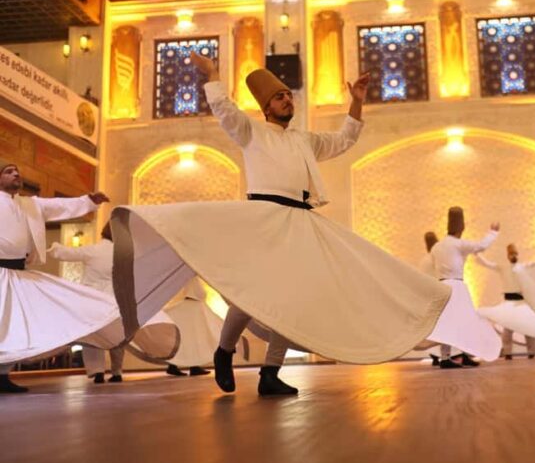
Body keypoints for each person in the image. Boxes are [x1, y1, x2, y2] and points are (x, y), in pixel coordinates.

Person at [110, 55, 452, 397]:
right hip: (263, 219)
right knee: (250, 295)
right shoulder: (252, 132)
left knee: (295, 301)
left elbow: (344, 140)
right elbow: (225, 110)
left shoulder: (303, 140)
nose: (287, 99)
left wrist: (357, 103)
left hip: (299, 222)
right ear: (266, 108)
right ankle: (224, 350)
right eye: (279, 97)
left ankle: (270, 372)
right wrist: (214, 74)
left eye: (289, 95)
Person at [0, 163, 119, 393]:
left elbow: (59, 205)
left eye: (18, 171)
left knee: (13, 325)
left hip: (18, 274)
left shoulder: (31, 204)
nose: (16, 174)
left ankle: (2, 376)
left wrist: (88, 201)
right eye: (9, 171)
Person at [49, 222, 179, 383]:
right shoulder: (124, 253)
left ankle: (97, 372)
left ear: (103, 233)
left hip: (92, 300)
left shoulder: (93, 250)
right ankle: (117, 371)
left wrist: (51, 247)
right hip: (115, 300)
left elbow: (65, 253)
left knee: (93, 336)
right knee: (118, 336)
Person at [429, 207, 501, 368]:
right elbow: (481, 246)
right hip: (456, 286)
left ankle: (449, 356)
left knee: (446, 322)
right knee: (464, 322)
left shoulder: (437, 247)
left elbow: (434, 265)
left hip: (442, 285)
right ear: (461, 227)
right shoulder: (458, 244)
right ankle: (456, 355)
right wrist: (493, 233)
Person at [476, 241, 535, 360]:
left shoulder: (524, 266)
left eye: (515, 254)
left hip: (522, 303)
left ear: (518, 255)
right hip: (508, 303)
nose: (513, 256)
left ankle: (532, 352)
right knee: (508, 330)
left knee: (528, 327)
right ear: (507, 255)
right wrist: (477, 254)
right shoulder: (502, 267)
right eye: (511, 254)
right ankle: (507, 352)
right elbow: (487, 264)